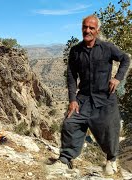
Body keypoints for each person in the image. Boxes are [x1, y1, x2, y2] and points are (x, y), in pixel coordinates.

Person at [55, 15, 130, 175]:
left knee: (110, 128)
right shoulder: (75, 51)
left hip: (105, 99)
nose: (87, 30)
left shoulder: (107, 48)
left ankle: (111, 159)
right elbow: (71, 76)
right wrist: (72, 100)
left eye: (91, 28)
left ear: (97, 30)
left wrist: (118, 78)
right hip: (83, 99)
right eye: (85, 27)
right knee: (70, 123)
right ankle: (65, 159)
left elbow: (125, 58)